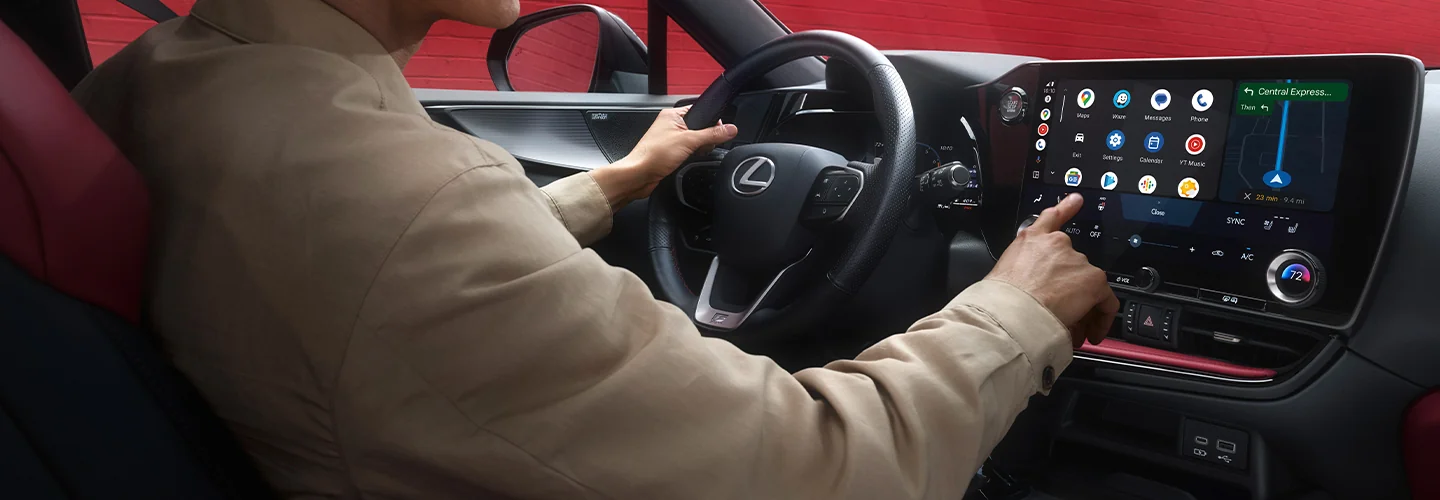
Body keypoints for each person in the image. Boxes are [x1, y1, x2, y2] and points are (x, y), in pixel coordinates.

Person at [71, 0, 1118, 497]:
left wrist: (606, 190)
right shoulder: (405, 205)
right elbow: (820, 471)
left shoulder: (160, 79)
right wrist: (1014, 308)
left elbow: (381, 284)